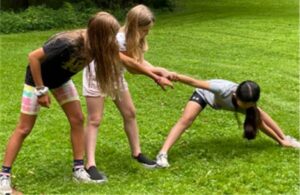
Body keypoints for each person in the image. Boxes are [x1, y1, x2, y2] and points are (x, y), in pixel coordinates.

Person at [0, 12, 172, 194]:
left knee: (77, 119)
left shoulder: (100, 45)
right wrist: (41, 89)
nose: (113, 39)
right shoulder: (68, 43)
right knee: (24, 128)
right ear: (99, 34)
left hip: (61, 81)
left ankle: (78, 169)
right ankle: (4, 177)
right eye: (110, 35)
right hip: (37, 80)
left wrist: (154, 75)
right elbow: (33, 57)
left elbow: (127, 61)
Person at [83, 4, 176, 182]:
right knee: (95, 119)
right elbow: (133, 68)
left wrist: (158, 70)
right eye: (145, 30)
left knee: (130, 113)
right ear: (135, 26)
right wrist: (155, 76)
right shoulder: (117, 39)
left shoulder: (133, 38)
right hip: (97, 76)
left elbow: (138, 62)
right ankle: (90, 164)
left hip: (115, 77)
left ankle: (137, 153)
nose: (147, 33)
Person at [155, 74, 300, 168]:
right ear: (235, 95)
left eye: (250, 105)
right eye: (244, 104)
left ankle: (284, 138)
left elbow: (261, 124)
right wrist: (176, 77)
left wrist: (280, 141)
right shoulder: (221, 89)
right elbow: (195, 82)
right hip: (205, 96)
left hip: (227, 101)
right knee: (186, 120)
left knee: (261, 116)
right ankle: (162, 154)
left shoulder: (249, 102)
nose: (246, 107)